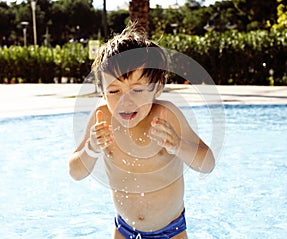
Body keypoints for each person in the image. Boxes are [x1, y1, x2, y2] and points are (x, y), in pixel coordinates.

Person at [69, 22, 215, 239]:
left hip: (171, 230)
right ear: (102, 90)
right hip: (124, 228)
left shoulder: (167, 116)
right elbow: (75, 172)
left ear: (157, 88)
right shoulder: (102, 117)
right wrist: (91, 149)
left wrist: (178, 146)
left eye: (137, 90)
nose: (125, 102)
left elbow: (207, 164)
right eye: (114, 91)